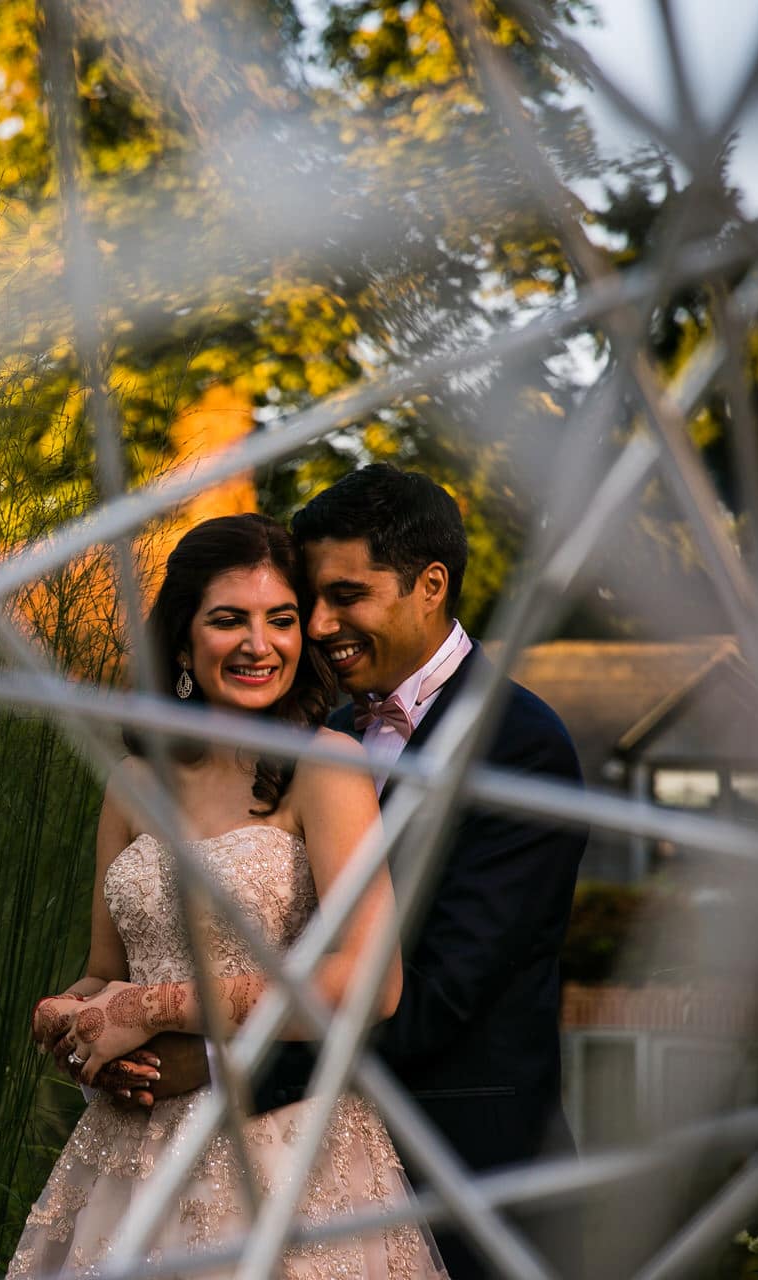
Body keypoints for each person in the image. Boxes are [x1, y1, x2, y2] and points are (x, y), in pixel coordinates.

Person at [96, 466, 586, 1280]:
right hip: (286, 1171)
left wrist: (209, 1064)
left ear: (431, 586)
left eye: (347, 596)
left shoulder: (517, 748)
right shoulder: (310, 736)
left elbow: (431, 998)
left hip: (458, 1171)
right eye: (311, 600)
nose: (320, 626)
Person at [7, 513, 446, 1280]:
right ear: (182, 641)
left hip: (283, 1155)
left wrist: (147, 1011)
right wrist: (70, 1025)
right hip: (125, 1154)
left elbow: (371, 985)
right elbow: (105, 970)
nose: (259, 644)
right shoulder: (132, 782)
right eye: (228, 620)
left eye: (280, 620)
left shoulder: (325, 765)